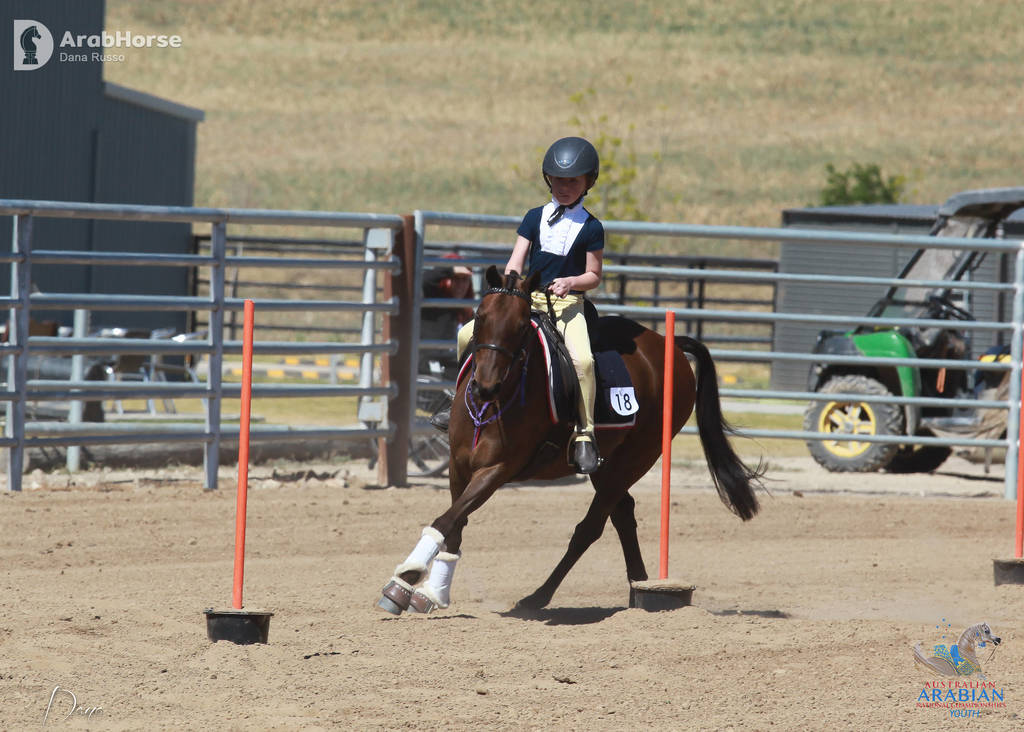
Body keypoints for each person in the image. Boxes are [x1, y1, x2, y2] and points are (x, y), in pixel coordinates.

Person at [431, 136, 604, 474]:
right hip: (527, 299)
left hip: (567, 305)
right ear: (548, 180)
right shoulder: (534, 217)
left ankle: (585, 433)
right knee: (466, 335)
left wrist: (571, 282)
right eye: (558, 180)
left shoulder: (592, 227)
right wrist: (509, 284)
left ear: (588, 182)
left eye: (573, 181)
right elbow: (516, 260)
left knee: (583, 361)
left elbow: (594, 275)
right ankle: (457, 402)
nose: (564, 187)